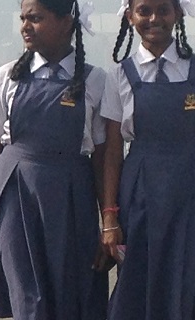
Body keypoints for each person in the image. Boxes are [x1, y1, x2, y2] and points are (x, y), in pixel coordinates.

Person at [0, 0, 108, 319]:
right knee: (25, 294)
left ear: (67, 22)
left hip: (71, 202)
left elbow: (103, 159)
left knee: (69, 292)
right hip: (13, 196)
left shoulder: (96, 81)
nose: (25, 26)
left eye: (35, 18)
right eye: (23, 18)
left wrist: (109, 223)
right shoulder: (6, 77)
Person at [100, 0, 195, 319]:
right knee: (139, 281)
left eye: (163, 10)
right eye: (144, 11)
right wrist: (110, 218)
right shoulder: (119, 76)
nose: (154, 18)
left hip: (189, 193)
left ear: (178, 13)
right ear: (129, 16)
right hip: (140, 196)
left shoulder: (193, 69)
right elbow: (112, 152)